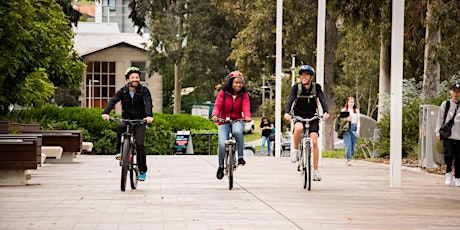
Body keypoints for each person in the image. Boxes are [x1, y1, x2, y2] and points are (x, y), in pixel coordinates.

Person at [101, 66, 154, 181]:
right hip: (127, 118)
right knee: (120, 126)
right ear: (128, 79)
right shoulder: (123, 91)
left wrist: (149, 116)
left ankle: (142, 170)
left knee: (140, 144)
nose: (135, 79)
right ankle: (119, 151)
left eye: (137, 77)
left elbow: (148, 103)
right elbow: (113, 101)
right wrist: (106, 113)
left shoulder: (144, 90)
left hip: (140, 120)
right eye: (133, 77)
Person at [284, 65, 330, 181]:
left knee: (314, 141)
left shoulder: (316, 87)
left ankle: (315, 170)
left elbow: (322, 100)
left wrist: (326, 112)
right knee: (298, 128)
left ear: (311, 77)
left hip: (313, 117)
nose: (303, 77)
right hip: (299, 116)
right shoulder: (296, 87)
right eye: (302, 75)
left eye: (306, 75)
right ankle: (295, 150)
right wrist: (287, 112)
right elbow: (290, 100)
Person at [211, 71, 252, 180]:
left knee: (237, 132)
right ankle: (220, 166)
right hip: (223, 120)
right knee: (221, 144)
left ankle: (241, 157)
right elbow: (218, 105)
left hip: (237, 120)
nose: (238, 85)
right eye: (236, 83)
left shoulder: (244, 95)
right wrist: (215, 115)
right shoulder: (223, 93)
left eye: (240, 83)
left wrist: (247, 116)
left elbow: (246, 107)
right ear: (231, 83)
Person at [435, 83, 460, 187]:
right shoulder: (446, 104)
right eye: (454, 91)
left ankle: (457, 177)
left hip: (459, 137)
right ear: (451, 92)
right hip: (448, 136)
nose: (456, 93)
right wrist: (437, 131)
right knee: (448, 156)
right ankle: (448, 172)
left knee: (459, 159)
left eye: (458, 91)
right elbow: (440, 119)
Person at [341, 97, 360, 166]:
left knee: (353, 145)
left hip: (354, 127)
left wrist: (358, 130)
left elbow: (358, 121)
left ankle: (350, 154)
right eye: (350, 102)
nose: (351, 103)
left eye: (352, 102)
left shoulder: (356, 111)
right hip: (346, 128)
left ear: (354, 103)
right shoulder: (344, 110)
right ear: (347, 103)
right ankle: (348, 160)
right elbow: (340, 121)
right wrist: (347, 119)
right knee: (348, 144)